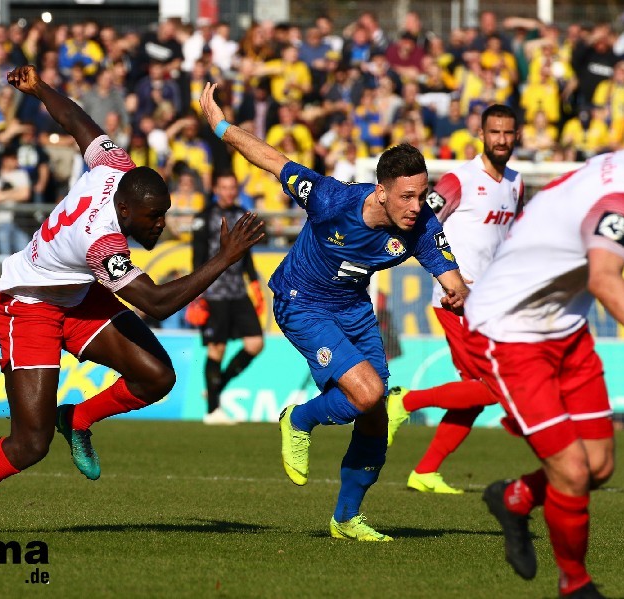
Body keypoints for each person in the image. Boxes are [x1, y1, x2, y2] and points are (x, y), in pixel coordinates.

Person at [0, 65, 264, 534]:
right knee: (30, 444)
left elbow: (77, 123)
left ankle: (77, 418)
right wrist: (225, 258)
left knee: (156, 376)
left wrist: (41, 88)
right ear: (124, 211)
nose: (159, 224)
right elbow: (156, 303)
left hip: (74, 295)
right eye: (152, 217)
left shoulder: (115, 164)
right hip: (28, 304)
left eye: (163, 214)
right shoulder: (101, 242)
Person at [462, 84, 624, 598]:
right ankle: (575, 585)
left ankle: (513, 497)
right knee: (574, 472)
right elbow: (604, 278)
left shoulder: (621, 167)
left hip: (564, 328)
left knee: (599, 467)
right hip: (509, 332)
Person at [199, 82, 469, 541]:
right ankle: (297, 418)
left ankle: (346, 519)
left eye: (421, 195)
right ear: (381, 192)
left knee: (375, 413)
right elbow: (270, 159)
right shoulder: (331, 199)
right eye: (405, 196)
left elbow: (453, 280)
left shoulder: (421, 225)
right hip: (301, 301)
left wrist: (456, 293)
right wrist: (220, 124)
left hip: (353, 308)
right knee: (365, 392)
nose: (415, 206)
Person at [385, 104, 524, 494]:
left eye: (507, 133)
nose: (501, 139)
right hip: (457, 299)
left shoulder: (516, 183)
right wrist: (449, 280)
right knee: (495, 386)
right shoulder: (459, 180)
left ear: (516, 136)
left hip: (491, 304)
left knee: (476, 394)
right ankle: (405, 402)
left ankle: (426, 470)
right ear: (482, 134)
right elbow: (422, 226)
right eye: (494, 132)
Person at [191, 171, 265, 424]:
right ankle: (213, 411)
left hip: (238, 292)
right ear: (215, 189)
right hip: (214, 293)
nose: (229, 191)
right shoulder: (205, 217)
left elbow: (248, 255)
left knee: (255, 343)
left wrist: (254, 283)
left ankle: (215, 389)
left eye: (233, 187)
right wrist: (197, 294)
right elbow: (197, 258)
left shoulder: (242, 215)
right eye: (224, 187)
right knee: (217, 349)